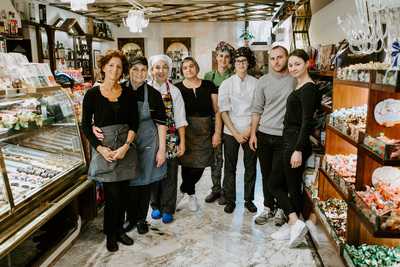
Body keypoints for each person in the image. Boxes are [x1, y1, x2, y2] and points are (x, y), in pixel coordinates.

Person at [92, 56, 168, 234]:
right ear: (128, 71)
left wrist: (162, 150)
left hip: (148, 143)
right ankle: (130, 218)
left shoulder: (154, 94)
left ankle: (141, 219)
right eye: (135, 69)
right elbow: (103, 112)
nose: (139, 73)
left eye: (143, 70)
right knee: (126, 181)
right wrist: (93, 125)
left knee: (144, 183)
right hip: (123, 142)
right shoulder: (119, 90)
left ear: (147, 72)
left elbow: (161, 124)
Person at [82, 50, 139, 252]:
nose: (115, 70)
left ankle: (120, 230)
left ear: (123, 71)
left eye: (119, 66)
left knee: (124, 192)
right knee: (112, 193)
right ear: (104, 67)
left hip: (125, 149)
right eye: (111, 65)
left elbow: (134, 123)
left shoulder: (128, 94)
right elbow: (86, 126)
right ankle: (111, 233)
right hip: (104, 150)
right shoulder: (92, 94)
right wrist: (100, 149)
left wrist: (126, 147)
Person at [269, 49, 320, 248]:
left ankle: (294, 222)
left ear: (307, 63)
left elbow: (307, 122)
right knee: (284, 184)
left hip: (295, 143)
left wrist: (298, 149)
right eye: (290, 65)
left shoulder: (308, 89)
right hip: (289, 140)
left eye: (297, 64)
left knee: (280, 184)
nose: (292, 68)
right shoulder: (300, 85)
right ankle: (293, 223)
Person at [249, 45, 296, 226]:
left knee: (280, 175)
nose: (277, 61)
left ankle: (282, 209)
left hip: (283, 137)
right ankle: (268, 207)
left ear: (287, 58)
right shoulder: (263, 81)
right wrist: (253, 133)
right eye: (273, 58)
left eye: (280, 57)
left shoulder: (294, 80)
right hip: (263, 134)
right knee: (266, 173)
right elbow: (256, 110)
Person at [175, 57, 221, 211]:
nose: (189, 69)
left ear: (197, 67)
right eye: (185, 67)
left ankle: (183, 189)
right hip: (185, 130)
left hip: (205, 130)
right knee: (187, 165)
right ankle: (192, 195)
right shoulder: (177, 88)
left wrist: (217, 133)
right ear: (182, 71)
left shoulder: (209, 85)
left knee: (201, 164)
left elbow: (217, 110)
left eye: (191, 66)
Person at [148, 54, 188, 224]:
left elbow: (180, 119)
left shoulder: (175, 91)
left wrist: (183, 143)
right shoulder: (145, 89)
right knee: (152, 174)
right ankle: (155, 205)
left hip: (171, 138)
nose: (161, 71)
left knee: (170, 174)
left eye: (164, 67)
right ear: (151, 70)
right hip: (150, 139)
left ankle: (167, 208)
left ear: (169, 71)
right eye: (157, 67)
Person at [218, 47, 258, 214]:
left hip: (251, 130)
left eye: (244, 61)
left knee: (250, 167)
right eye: (238, 61)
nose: (241, 63)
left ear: (248, 63)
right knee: (230, 167)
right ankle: (230, 199)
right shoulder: (226, 84)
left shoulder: (256, 83)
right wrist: (234, 133)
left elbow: (258, 109)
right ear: (233, 64)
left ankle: (249, 200)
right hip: (230, 131)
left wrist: (250, 131)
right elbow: (223, 111)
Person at [203, 41, 235, 205]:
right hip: (214, 123)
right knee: (216, 158)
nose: (223, 59)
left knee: (229, 159)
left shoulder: (234, 75)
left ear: (230, 59)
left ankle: (226, 191)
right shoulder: (209, 76)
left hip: (230, 122)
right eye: (220, 56)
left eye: (226, 56)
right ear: (216, 57)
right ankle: (216, 189)